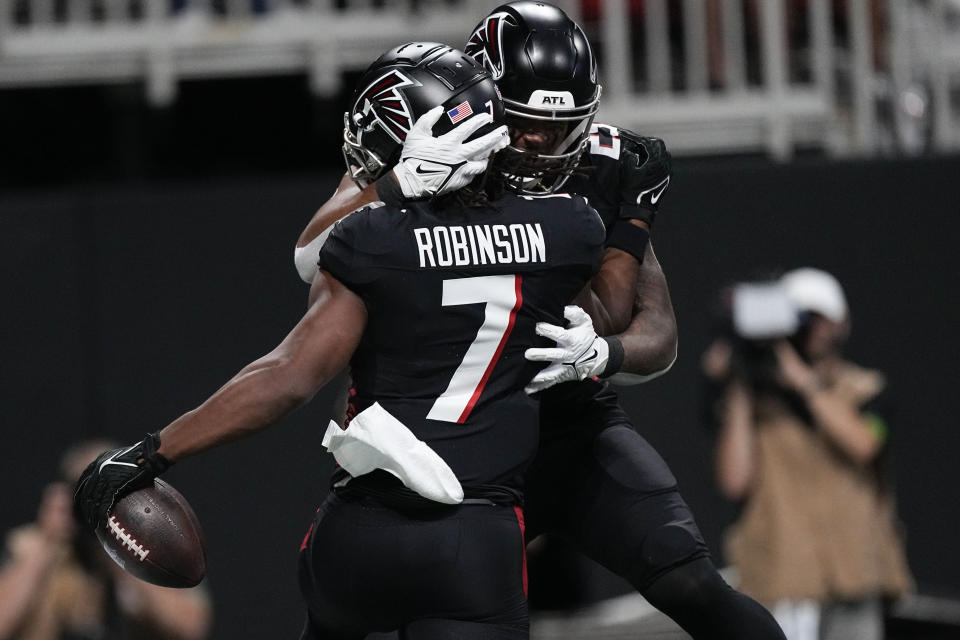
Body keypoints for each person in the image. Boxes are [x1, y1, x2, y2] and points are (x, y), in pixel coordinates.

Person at [75, 43, 608, 640]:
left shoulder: (372, 239)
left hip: (363, 536)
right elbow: (622, 320)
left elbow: (288, 378)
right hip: (477, 541)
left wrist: (153, 452)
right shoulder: (572, 231)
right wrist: (603, 347)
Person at [292, 3, 788, 638]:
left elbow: (655, 331)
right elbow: (311, 255)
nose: (538, 143)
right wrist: (402, 180)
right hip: (437, 443)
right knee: (344, 620)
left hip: (563, 429)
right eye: (524, 124)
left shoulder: (605, 168)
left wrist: (604, 352)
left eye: (559, 128)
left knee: (690, 581)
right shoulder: (431, 133)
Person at [706, 268, 913, 640]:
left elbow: (863, 445)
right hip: (780, 574)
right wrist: (741, 384)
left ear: (842, 323)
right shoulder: (757, 400)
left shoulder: (867, 389)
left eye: (819, 317)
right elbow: (734, 481)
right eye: (801, 318)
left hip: (855, 571)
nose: (810, 329)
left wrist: (800, 380)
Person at [0, 440, 211, 640]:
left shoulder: (151, 546)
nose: (95, 503)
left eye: (106, 490)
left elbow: (191, 627)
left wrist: (124, 547)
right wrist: (47, 543)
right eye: (85, 490)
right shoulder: (28, 545)